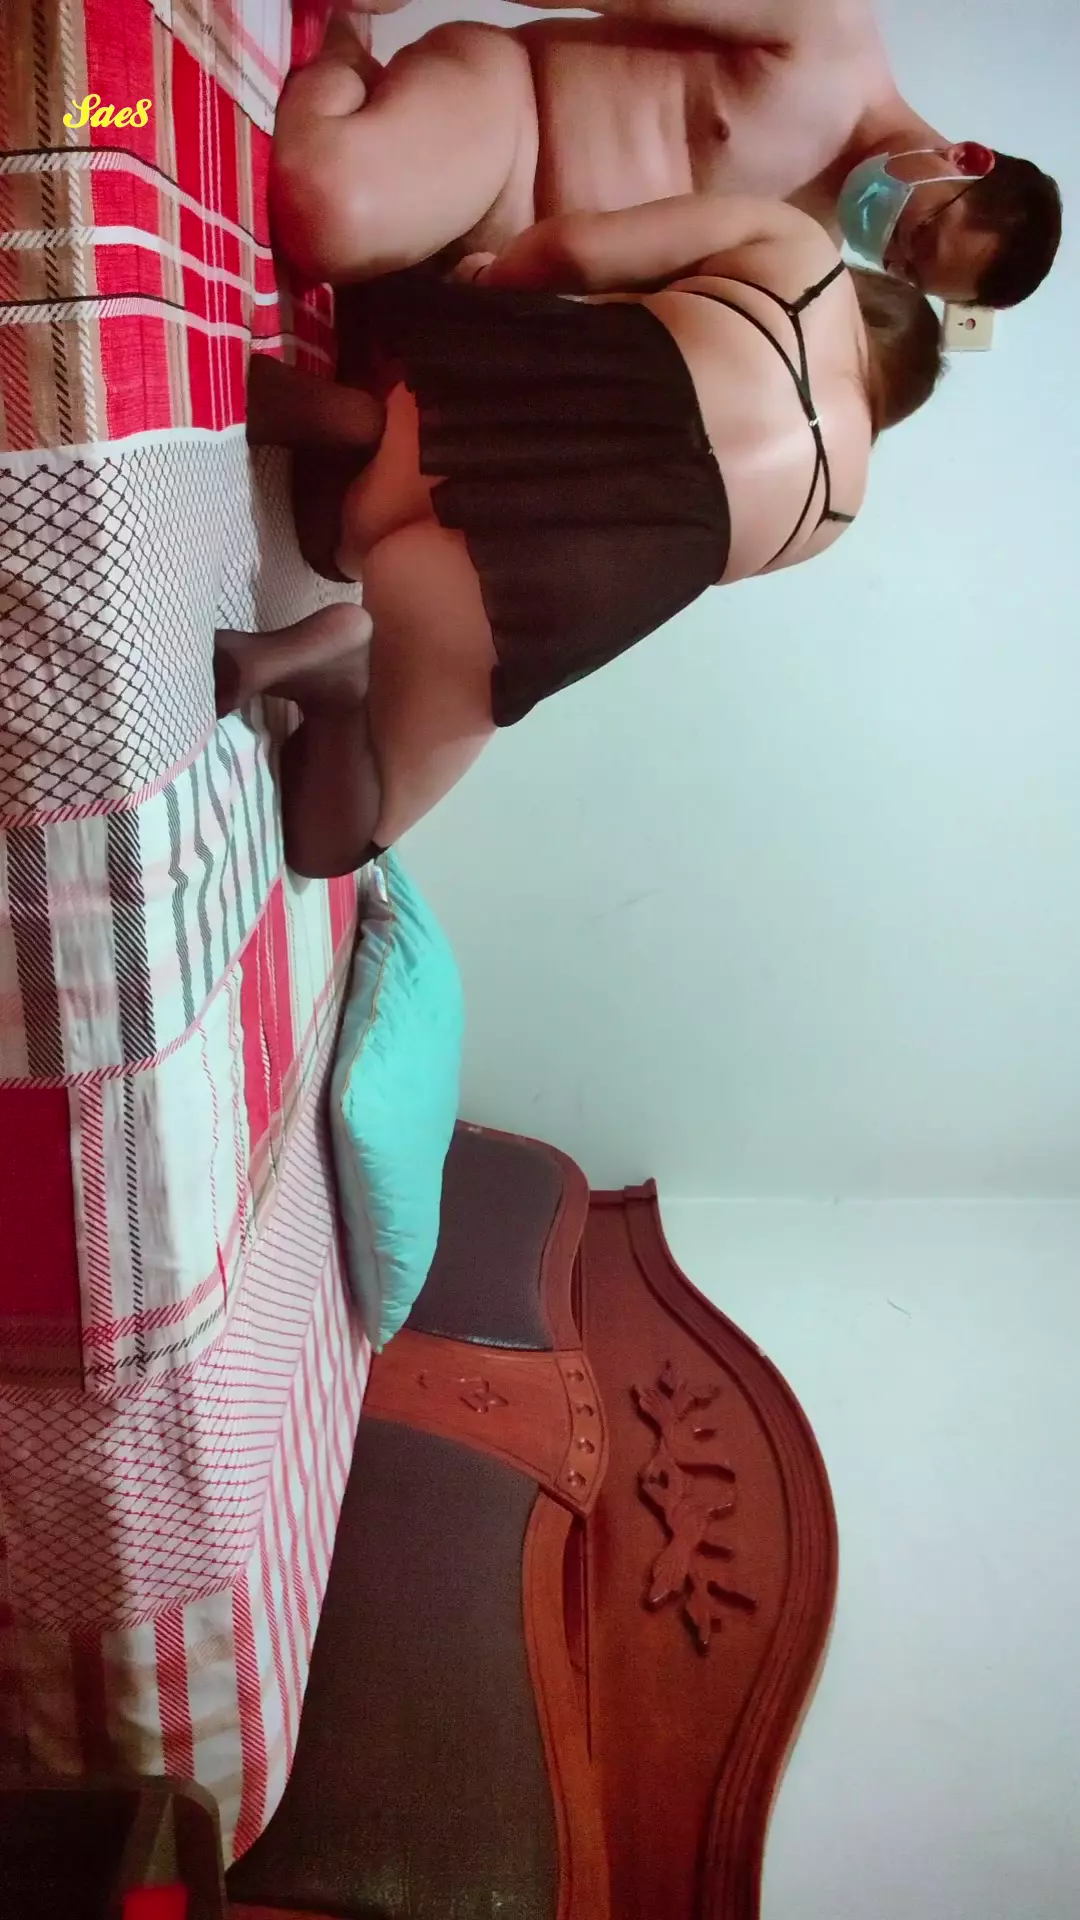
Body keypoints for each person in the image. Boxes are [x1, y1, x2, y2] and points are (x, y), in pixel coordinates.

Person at [216, 191, 944, 876]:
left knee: (343, 518)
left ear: (863, 292)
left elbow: (575, 250)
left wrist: (490, 278)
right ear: (885, 413)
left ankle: (352, 425)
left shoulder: (802, 253)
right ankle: (340, 687)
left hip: (460, 410)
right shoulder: (835, 512)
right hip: (530, 587)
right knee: (338, 841)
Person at [270, 4, 1061, 310]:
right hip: (511, 108)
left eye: (907, 268)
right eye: (921, 231)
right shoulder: (829, 36)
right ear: (966, 159)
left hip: (503, 267)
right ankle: (345, 46)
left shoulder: (804, 249)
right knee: (332, 218)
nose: (889, 247)